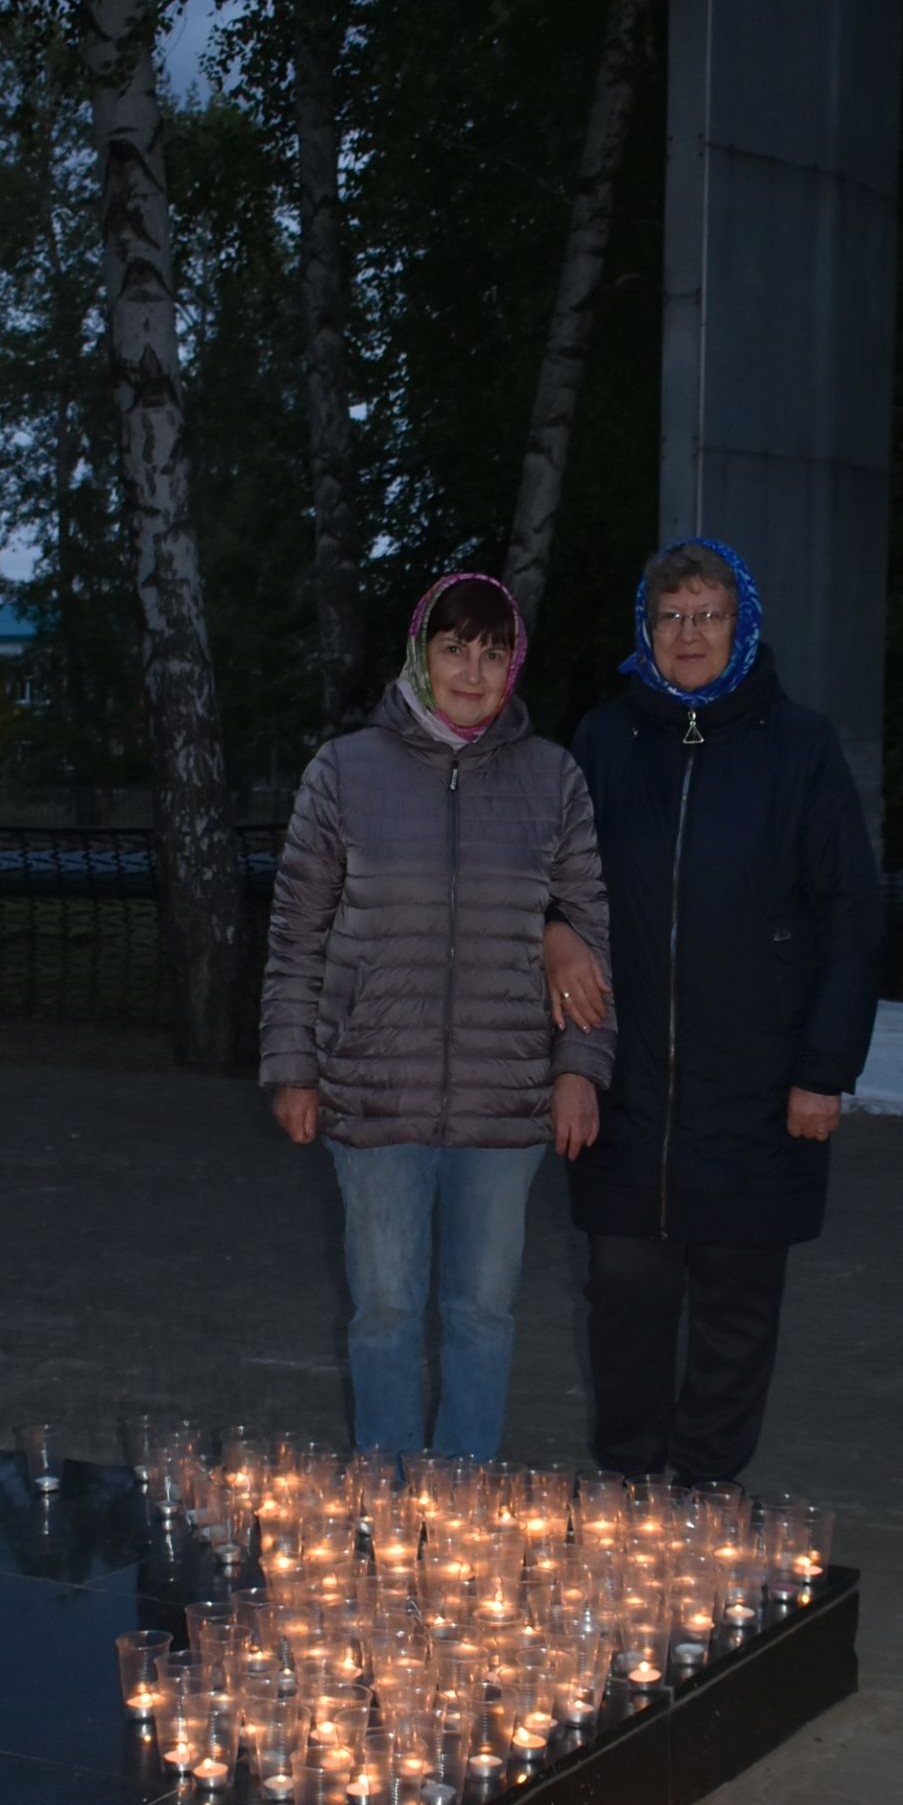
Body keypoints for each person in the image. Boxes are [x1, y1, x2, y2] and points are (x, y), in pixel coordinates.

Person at [543, 536, 880, 1486]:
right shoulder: (606, 742)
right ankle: (627, 1492)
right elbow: (554, 876)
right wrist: (554, 937)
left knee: (735, 1310)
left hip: (758, 1086)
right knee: (624, 1300)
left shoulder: (801, 748)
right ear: (644, 631)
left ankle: (699, 1506)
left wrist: (824, 1069)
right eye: (670, 616)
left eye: (709, 615)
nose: (689, 635)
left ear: (744, 626)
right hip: (628, 1086)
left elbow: (850, 917)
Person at [261, 572, 613, 1461]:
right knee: (383, 1311)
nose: (473, 670)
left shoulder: (554, 778)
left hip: (507, 1104)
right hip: (374, 1097)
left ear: (514, 668)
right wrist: (292, 1066)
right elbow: (296, 933)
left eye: (495, 653)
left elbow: (589, 926)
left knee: (483, 1314)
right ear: (422, 654)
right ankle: (384, 1498)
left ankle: (462, 1512)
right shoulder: (344, 771)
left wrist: (580, 1069)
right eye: (456, 647)